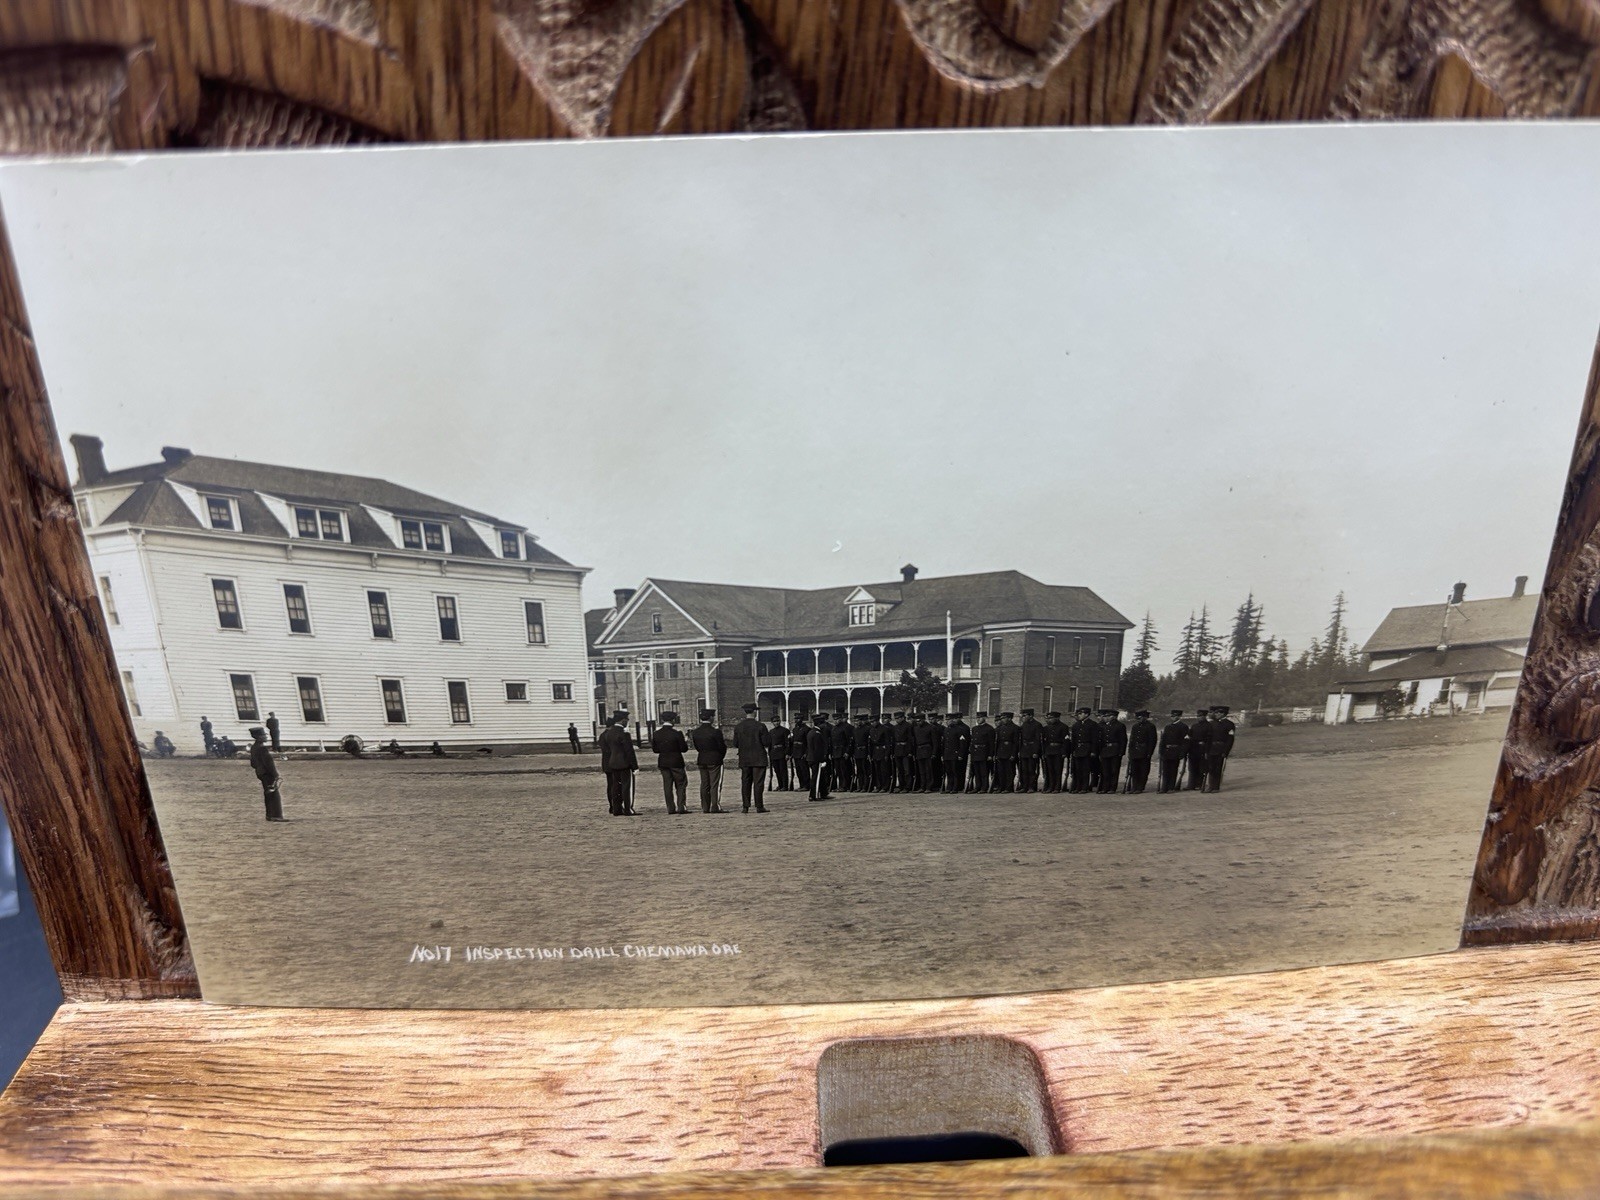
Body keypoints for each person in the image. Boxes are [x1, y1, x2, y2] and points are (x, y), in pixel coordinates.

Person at [732, 703, 771, 813]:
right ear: (754, 712)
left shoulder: (738, 727)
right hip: (759, 758)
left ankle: (745, 806)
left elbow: (735, 743)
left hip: (744, 758)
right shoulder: (761, 726)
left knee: (745, 782)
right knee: (758, 783)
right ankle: (759, 806)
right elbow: (766, 742)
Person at [597, 713, 637, 816]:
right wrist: (634, 766)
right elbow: (629, 751)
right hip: (623, 763)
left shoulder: (607, 734)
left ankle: (616, 808)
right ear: (623, 720)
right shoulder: (624, 734)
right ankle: (628, 808)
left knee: (615, 786)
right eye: (626, 720)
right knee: (626, 786)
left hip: (612, 763)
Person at [651, 711, 690, 814]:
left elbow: (655, 750)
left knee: (667, 785)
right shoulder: (677, 733)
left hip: (663, 761)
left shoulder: (656, 734)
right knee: (681, 784)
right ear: (673, 720)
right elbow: (684, 749)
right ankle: (681, 806)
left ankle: (670, 808)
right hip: (676, 761)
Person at [690, 710, 728, 812]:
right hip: (715, 759)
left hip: (702, 759)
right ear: (711, 717)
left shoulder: (696, 732)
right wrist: (720, 757)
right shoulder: (716, 732)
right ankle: (715, 806)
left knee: (704, 784)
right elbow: (722, 747)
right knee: (715, 784)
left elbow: (697, 747)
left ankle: (705, 807)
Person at [248, 726, 285, 821]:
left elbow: (252, 763)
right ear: (258, 737)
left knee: (268, 794)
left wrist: (259, 768)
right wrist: (276, 774)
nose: (265, 737)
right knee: (274, 795)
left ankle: (269, 815)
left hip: (261, 773)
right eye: (263, 735)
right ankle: (276, 815)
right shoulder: (262, 748)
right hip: (268, 774)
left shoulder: (254, 747)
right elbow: (269, 764)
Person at [1206, 705, 1237, 792]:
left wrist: (1226, 751)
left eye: (1217, 713)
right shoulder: (1212, 724)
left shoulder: (1229, 724)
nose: (1215, 714)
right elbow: (1208, 738)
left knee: (1218, 768)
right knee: (1211, 768)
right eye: (1215, 713)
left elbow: (1230, 739)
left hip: (1221, 749)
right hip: (1212, 748)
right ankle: (1210, 786)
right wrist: (1207, 749)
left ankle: (1215, 787)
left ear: (1223, 713)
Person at [1069, 707, 1100, 793]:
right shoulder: (1076, 725)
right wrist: (1073, 750)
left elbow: (1094, 739)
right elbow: (1074, 739)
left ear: (1086, 714)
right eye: (1078, 714)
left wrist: (1093, 751)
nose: (1079, 715)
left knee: (1085, 770)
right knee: (1078, 770)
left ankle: (1084, 787)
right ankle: (1077, 787)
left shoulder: (1093, 724)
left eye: (1081, 714)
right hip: (1078, 749)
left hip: (1087, 749)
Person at [1158, 709, 1189, 793]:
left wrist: (1182, 752)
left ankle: (1171, 787)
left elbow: (1185, 741)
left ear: (1179, 716)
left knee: (1173, 770)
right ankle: (1164, 788)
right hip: (1167, 751)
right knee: (1165, 770)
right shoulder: (1167, 727)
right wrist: (1161, 751)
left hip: (1175, 751)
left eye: (1175, 716)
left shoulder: (1183, 727)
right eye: (1172, 716)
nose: (1173, 717)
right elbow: (1163, 740)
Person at [1097, 709, 1127, 794]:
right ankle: (1105, 787)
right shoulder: (1104, 726)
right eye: (1105, 716)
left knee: (1114, 770)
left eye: (1108, 716)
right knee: (1105, 770)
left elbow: (1123, 740)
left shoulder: (1120, 726)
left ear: (1114, 716)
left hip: (1115, 750)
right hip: (1105, 750)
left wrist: (1121, 752)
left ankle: (1112, 788)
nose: (1106, 718)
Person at [1127, 710, 1158, 792]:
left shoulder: (1150, 726)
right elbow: (1132, 740)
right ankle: (1134, 787)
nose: (1138, 719)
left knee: (1143, 770)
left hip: (1144, 751)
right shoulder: (1135, 726)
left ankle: (1140, 787)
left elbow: (1152, 741)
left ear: (1145, 717)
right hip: (1135, 751)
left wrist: (1149, 753)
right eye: (1137, 718)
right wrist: (1130, 751)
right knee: (1134, 770)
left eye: (1140, 717)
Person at [1016, 708, 1043, 793]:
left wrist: (1036, 752)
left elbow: (1038, 740)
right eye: (1022, 716)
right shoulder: (1024, 725)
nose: (1023, 717)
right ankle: (1024, 786)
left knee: (1031, 770)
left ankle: (1031, 787)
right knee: (1024, 770)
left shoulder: (1037, 725)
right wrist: (1020, 750)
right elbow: (1021, 739)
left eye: (1025, 715)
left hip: (1032, 750)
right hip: (1024, 750)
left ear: (1031, 716)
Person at [942, 711, 970, 793]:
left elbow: (962, 743)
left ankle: (955, 787)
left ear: (952, 720)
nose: (947, 721)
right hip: (947, 754)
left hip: (955, 754)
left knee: (955, 772)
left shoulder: (959, 730)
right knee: (949, 772)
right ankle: (949, 787)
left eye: (949, 720)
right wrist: (943, 754)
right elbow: (944, 743)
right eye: (946, 720)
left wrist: (960, 754)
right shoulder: (946, 730)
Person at [1040, 712, 1069, 793]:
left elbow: (1065, 741)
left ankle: (1057, 787)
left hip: (1058, 750)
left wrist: (1064, 752)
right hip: (1049, 750)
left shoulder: (1063, 727)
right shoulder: (1046, 728)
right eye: (1049, 718)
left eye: (1051, 718)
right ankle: (1050, 786)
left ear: (1057, 718)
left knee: (1058, 770)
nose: (1050, 720)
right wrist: (1044, 752)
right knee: (1050, 770)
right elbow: (1044, 741)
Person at [967, 711, 995, 793]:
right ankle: (977, 787)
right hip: (975, 753)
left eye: (980, 717)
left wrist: (990, 755)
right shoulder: (974, 729)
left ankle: (984, 787)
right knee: (976, 772)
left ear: (985, 718)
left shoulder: (989, 729)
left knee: (984, 772)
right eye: (977, 718)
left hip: (984, 753)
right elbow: (972, 742)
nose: (978, 719)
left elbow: (991, 743)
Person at [806, 714, 832, 800]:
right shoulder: (817, 733)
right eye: (823, 723)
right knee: (816, 778)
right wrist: (822, 759)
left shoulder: (812, 732)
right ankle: (814, 795)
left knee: (820, 777)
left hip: (812, 758)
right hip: (816, 759)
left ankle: (823, 793)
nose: (824, 725)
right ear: (819, 724)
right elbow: (818, 749)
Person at [992, 711, 1019, 793]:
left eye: (1004, 718)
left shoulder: (1015, 728)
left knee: (1009, 772)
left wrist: (1013, 754)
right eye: (1001, 718)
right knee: (1001, 771)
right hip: (1000, 752)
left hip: (1009, 753)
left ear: (1009, 718)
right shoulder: (1000, 728)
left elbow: (1016, 743)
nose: (1002, 720)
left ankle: (1008, 788)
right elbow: (997, 742)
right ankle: (1001, 787)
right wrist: (996, 754)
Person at [1187, 709, 1213, 791]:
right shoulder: (1194, 726)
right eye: (1198, 716)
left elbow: (1209, 738)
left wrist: (1205, 747)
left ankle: (1199, 784)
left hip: (1202, 749)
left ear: (1205, 716)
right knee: (1192, 767)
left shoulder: (1209, 726)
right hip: (1193, 748)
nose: (1199, 717)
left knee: (1201, 767)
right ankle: (1191, 785)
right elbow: (1189, 736)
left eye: (1201, 716)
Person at [829, 711, 855, 793]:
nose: (835, 721)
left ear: (840, 719)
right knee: (838, 770)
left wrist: (847, 752)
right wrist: (831, 752)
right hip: (835, 752)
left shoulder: (845, 727)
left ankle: (845, 785)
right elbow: (831, 742)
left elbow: (849, 741)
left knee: (844, 770)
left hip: (842, 751)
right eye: (834, 719)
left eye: (837, 719)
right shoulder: (833, 728)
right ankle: (840, 785)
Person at [871, 712, 895, 792]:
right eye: (871, 722)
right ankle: (878, 786)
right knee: (877, 770)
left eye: (873, 721)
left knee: (884, 770)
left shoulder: (885, 729)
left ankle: (885, 786)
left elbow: (888, 742)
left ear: (877, 721)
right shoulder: (871, 730)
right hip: (875, 751)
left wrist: (887, 754)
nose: (872, 723)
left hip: (883, 751)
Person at [913, 712, 937, 792]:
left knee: (928, 770)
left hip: (927, 750)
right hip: (919, 750)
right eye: (916, 721)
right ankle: (922, 786)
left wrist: (934, 753)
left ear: (923, 719)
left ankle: (929, 787)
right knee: (921, 771)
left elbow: (935, 742)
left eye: (919, 721)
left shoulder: (931, 728)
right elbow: (915, 741)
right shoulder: (915, 728)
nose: (918, 722)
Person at [790, 715, 813, 795]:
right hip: (796, 752)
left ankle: (806, 785)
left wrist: (806, 753)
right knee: (798, 770)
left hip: (802, 752)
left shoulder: (806, 729)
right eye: (796, 719)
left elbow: (808, 743)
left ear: (802, 719)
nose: (796, 720)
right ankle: (801, 785)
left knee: (804, 770)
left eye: (798, 719)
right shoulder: (795, 729)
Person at [893, 711, 916, 793]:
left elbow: (910, 739)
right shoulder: (895, 727)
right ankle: (901, 785)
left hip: (905, 749)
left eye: (898, 718)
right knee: (900, 770)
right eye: (896, 718)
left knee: (907, 770)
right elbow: (893, 740)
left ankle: (908, 786)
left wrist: (910, 751)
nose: (897, 720)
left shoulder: (908, 726)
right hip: (897, 750)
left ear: (903, 718)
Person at [769, 713, 792, 791]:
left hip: (782, 753)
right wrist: (770, 754)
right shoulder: (771, 732)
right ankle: (780, 784)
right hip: (774, 753)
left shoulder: (785, 731)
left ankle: (785, 786)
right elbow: (770, 744)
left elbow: (787, 743)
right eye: (775, 721)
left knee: (783, 770)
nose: (776, 723)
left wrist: (787, 753)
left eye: (778, 721)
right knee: (777, 770)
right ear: (772, 722)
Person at [853, 714, 874, 791]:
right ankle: (860, 786)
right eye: (855, 721)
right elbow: (854, 742)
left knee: (865, 770)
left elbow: (869, 742)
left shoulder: (867, 729)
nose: (857, 722)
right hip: (857, 752)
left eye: (858, 720)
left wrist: (869, 753)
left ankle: (866, 786)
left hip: (864, 751)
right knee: (859, 770)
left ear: (862, 721)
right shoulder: (855, 730)